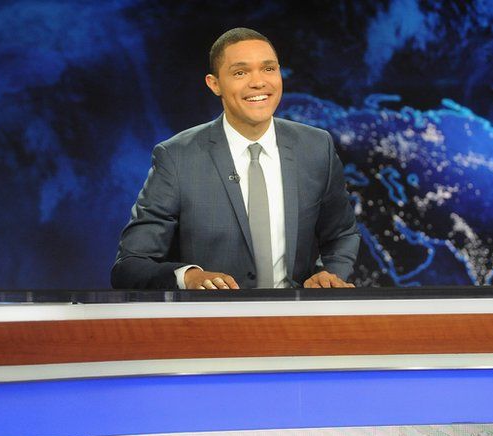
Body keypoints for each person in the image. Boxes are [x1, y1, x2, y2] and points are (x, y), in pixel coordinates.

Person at [111, 27, 359, 290]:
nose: (258, 82)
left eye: (268, 69)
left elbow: (341, 234)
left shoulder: (316, 146)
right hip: (212, 322)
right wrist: (189, 277)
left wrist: (329, 274)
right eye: (240, 72)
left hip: (294, 321)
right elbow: (130, 265)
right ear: (214, 84)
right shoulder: (176, 157)